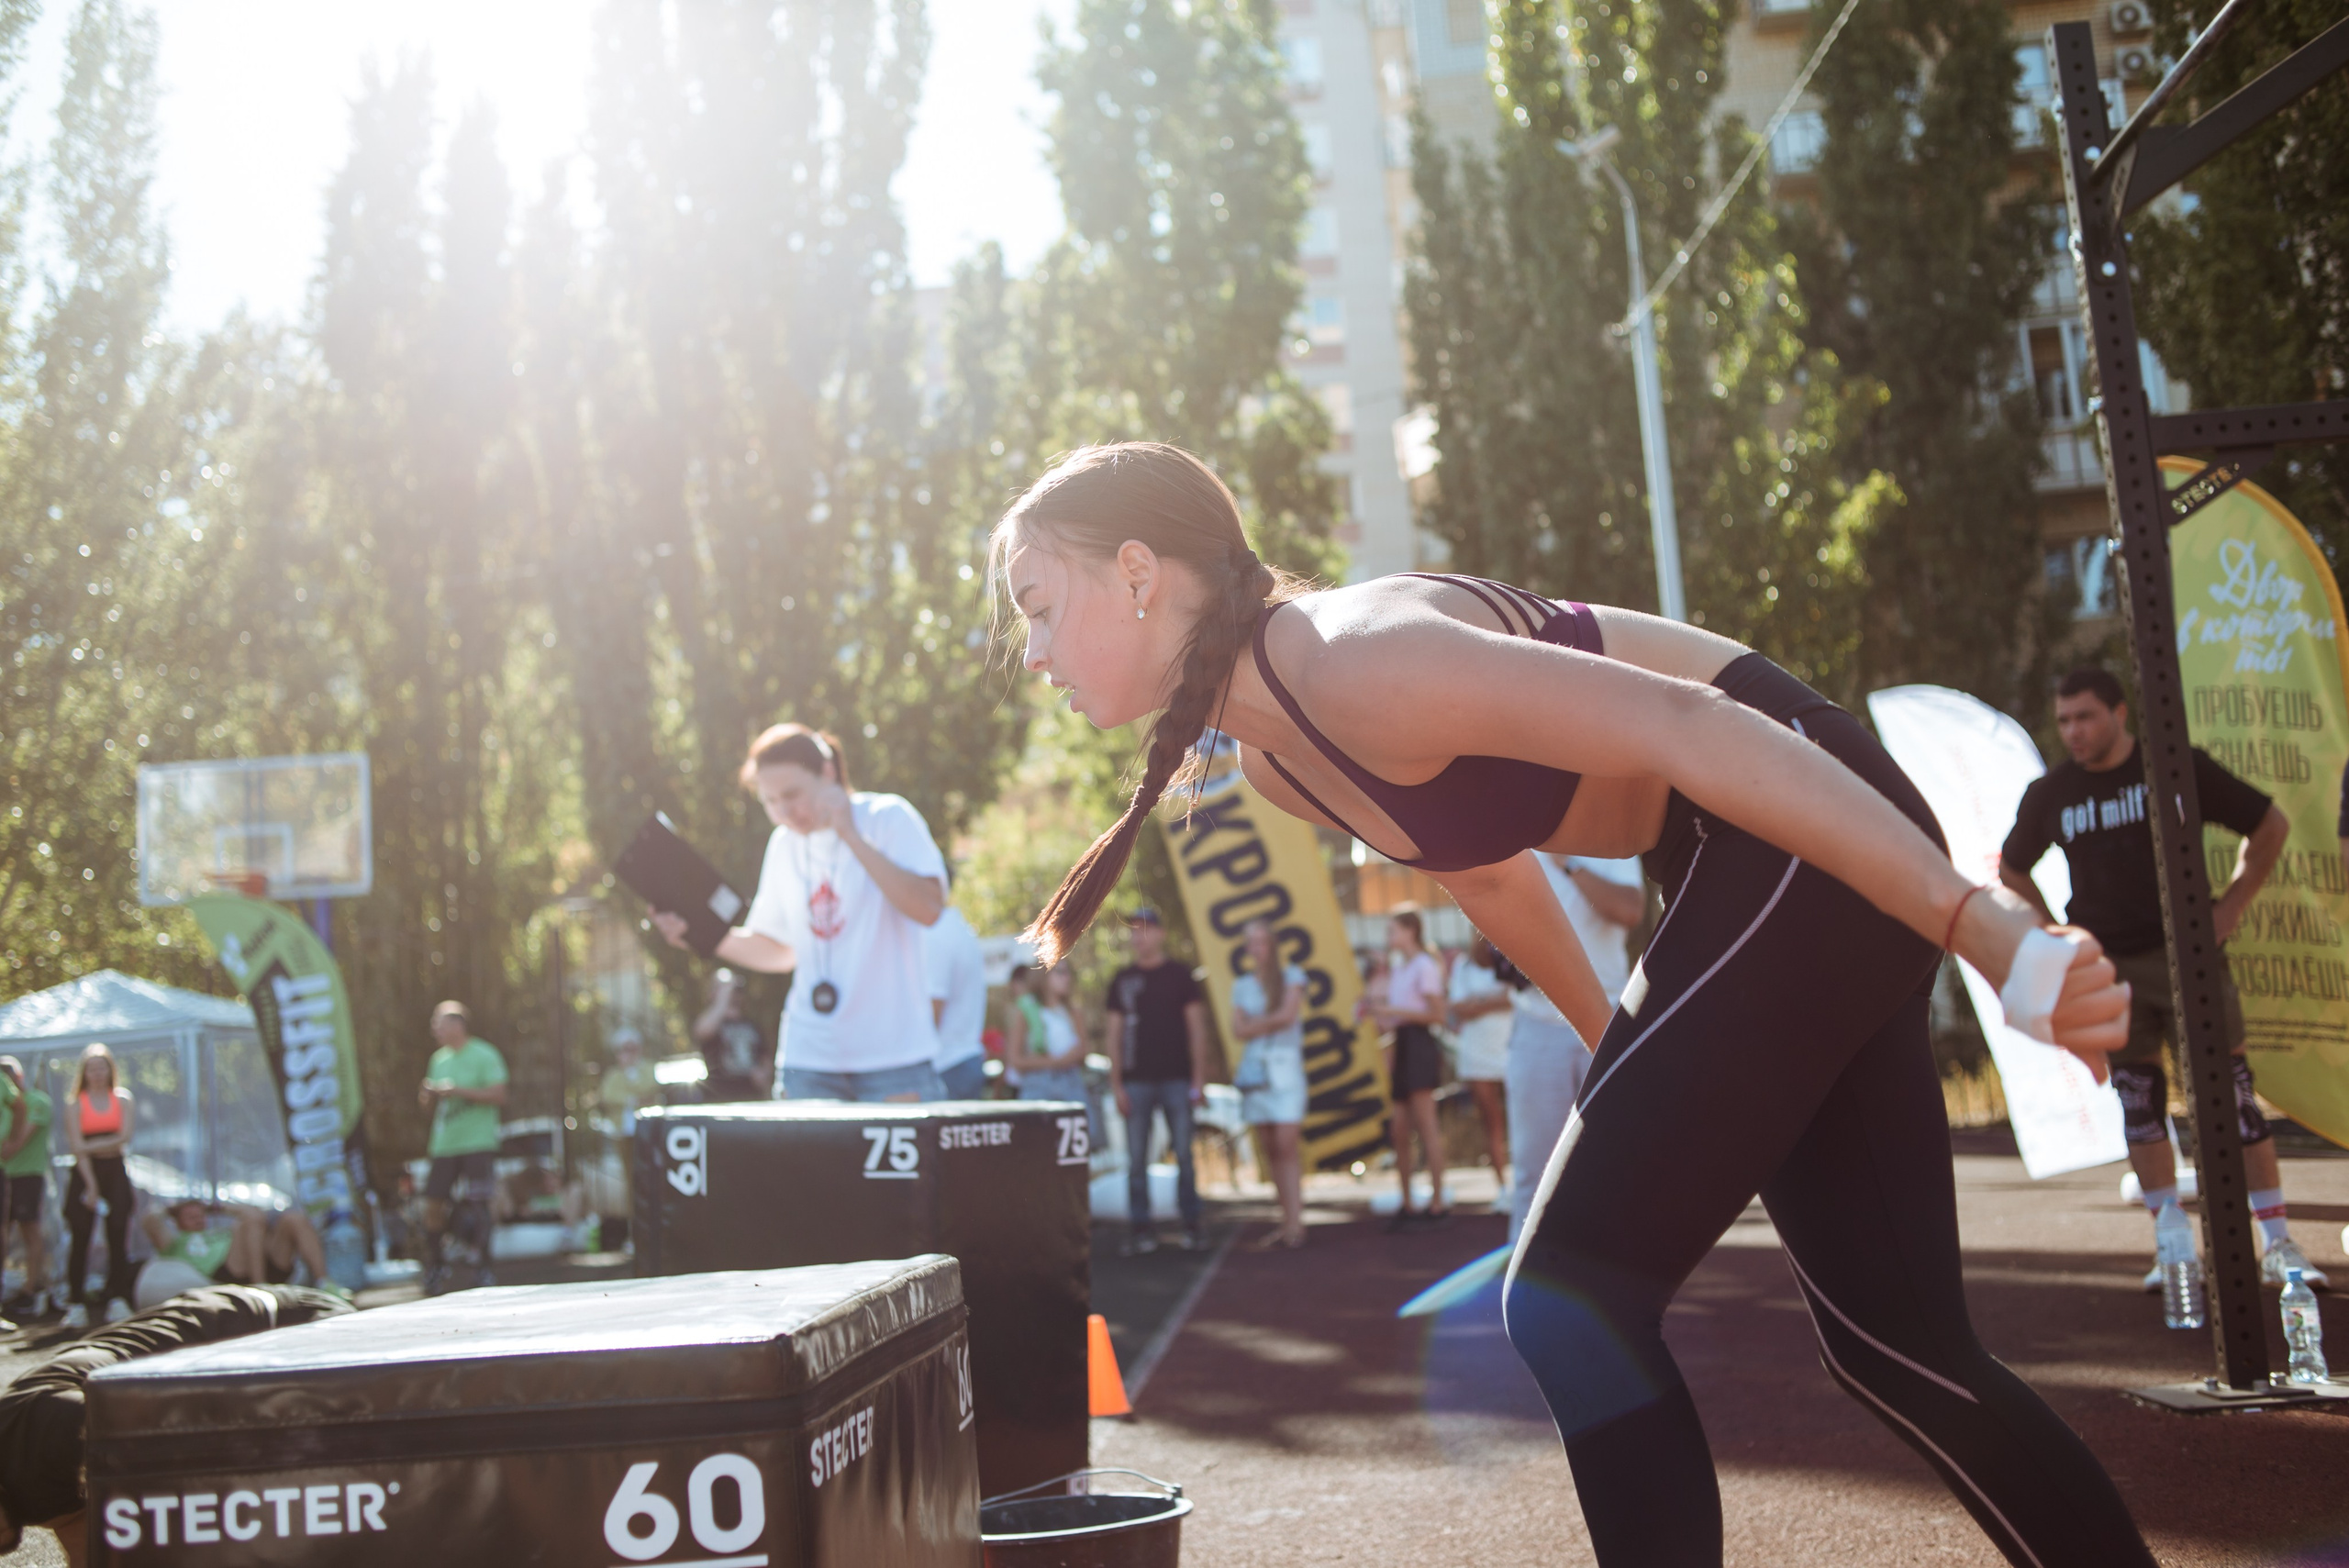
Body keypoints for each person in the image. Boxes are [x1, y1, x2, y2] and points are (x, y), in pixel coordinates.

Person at [993, 440, 2148, 1566]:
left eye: (1040, 608)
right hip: (1737, 859)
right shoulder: (1278, 762)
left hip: (1793, 816)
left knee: (1564, 1292)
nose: (1034, 653)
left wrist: (1985, 929)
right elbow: (1488, 877)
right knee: (1898, 1349)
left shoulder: (1349, 657)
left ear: (1138, 572)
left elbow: (1692, 724)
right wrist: (1620, 1050)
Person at [2000, 666, 2325, 1290]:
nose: (2073, 731)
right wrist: (2056, 934)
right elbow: (2011, 870)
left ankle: (2279, 1243)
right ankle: (2173, 1247)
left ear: (2120, 713)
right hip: (2110, 967)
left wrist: (2231, 907)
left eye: (2086, 716)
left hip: (2189, 956)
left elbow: (2271, 825)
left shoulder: (2177, 769)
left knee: (2233, 1098)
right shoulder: (2052, 793)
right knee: (2140, 1103)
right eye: (2064, 720)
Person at [655, 724, 949, 1103]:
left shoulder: (886, 818)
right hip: (809, 1061)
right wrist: (701, 934)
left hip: (894, 1061)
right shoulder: (783, 844)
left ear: (827, 773)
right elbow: (781, 951)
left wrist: (850, 835)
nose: (784, 812)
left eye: (792, 795)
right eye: (770, 801)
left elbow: (928, 909)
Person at [0, 1283, 350, 1566]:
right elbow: (86, 1546)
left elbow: (184, 1453)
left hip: (291, 1325)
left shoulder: (51, 1427)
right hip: (250, 1345)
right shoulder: (30, 1482)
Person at [1503, 854, 1645, 1242]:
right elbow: (1481, 950)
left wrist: (1567, 864)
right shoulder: (1515, 842)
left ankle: (1618, 1267)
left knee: (1614, 1161)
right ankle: (1524, 1272)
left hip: (1607, 1017)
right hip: (1536, 1023)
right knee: (1534, 1168)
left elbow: (1630, 910)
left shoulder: (1611, 840)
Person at [1105, 908, 1211, 1255]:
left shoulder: (1180, 976)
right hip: (1135, 1082)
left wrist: (1199, 1079)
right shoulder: (1122, 979)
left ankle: (1192, 1224)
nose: (1139, 936)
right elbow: (1113, 1036)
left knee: (1184, 1154)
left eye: (1146, 929)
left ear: (1161, 933)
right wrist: (1116, 1085)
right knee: (1136, 1160)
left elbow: (1197, 1029)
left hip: (1177, 1079)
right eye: (1134, 930)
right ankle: (1141, 1229)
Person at [417, 1000, 507, 1296]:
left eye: (439, 1023)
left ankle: (484, 1266)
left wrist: (457, 1091)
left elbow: (499, 1095)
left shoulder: (484, 1054)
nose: (434, 1029)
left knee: (480, 1203)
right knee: (432, 1204)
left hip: (477, 1143)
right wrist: (428, 1095)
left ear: (458, 1025)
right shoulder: (438, 1059)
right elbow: (428, 1107)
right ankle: (436, 1265)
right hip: (445, 1145)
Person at [1230, 917, 1308, 1250]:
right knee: (1271, 1148)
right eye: (1251, 942)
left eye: (1261, 941)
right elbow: (1238, 1029)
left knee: (1287, 1145)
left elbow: (1287, 1016)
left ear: (1271, 944)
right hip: (1257, 1075)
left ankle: (1296, 1222)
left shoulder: (1292, 976)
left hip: (1285, 1073)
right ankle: (1285, 1220)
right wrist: (1267, 1022)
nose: (1256, 948)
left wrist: (1255, 1023)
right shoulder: (1242, 985)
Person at [1370, 908, 1449, 1229]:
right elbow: (1398, 1015)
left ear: (1410, 931)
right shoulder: (1400, 968)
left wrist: (1395, 1010)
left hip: (1419, 1045)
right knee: (1399, 1129)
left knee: (1426, 1126)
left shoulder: (1424, 966)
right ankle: (1408, 1204)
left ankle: (1438, 1203)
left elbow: (1438, 1015)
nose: (1388, 937)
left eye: (1393, 930)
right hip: (1402, 1044)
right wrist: (1378, 1013)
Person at [61, 1045, 137, 1330]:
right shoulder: (75, 1104)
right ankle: (76, 1302)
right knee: (80, 1235)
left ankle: (118, 1297)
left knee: (118, 1231)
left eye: (101, 1067)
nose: (97, 1073)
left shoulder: (123, 1099)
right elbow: (77, 1148)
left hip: (115, 1171)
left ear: (110, 1069)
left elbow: (124, 1137)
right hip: (85, 1173)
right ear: (84, 1072)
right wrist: (91, 1186)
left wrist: (91, 1145)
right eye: (91, 1068)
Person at [137, 1198, 332, 1297]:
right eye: (190, 1217)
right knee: (247, 1222)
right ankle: (260, 1287)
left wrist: (214, 1207)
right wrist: (171, 1208)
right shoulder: (176, 1242)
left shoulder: (217, 1232)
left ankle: (325, 1282)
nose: (198, 1220)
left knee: (294, 1219)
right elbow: (149, 1220)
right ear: (178, 1222)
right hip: (232, 1273)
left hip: (263, 1261)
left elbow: (255, 1213)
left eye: (200, 1215)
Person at [1445, 936, 1515, 1186]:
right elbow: (1456, 1008)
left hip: (1510, 1051)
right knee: (1491, 1122)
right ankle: (1503, 1187)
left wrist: (1476, 1003)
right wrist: (1493, 1001)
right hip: (1477, 1055)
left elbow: (1513, 998)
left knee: (1521, 1123)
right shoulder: (1463, 965)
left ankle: (1528, 1185)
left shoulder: (1511, 957)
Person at [0, 1058, 54, 1320]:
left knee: (30, 1230)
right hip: (6, 1175)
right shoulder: (6, 1106)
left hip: (27, 1176)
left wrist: (9, 1146)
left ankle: (31, 1289)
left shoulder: (38, 1101)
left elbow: (17, 1143)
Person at [1008, 963, 1091, 1132]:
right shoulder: (1026, 1011)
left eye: (1068, 972)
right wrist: (1057, 1062)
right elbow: (1015, 1060)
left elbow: (1083, 1051)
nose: (1066, 978)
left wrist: (1061, 1061)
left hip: (1071, 1086)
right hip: (1037, 1089)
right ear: (1043, 975)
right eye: (1059, 972)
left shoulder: (1074, 1013)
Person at [927, 901, 991, 1099]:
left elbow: (932, 1011)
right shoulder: (959, 930)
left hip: (947, 1066)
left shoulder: (939, 931)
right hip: (961, 1062)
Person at [691, 971, 774, 1102]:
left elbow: (765, 1057)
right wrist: (722, 999)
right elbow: (701, 1031)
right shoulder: (712, 1023)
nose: (732, 992)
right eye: (722, 987)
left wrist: (764, 1074)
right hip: (719, 1100)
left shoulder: (752, 1025)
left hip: (751, 1098)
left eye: (736, 989)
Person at [597, 1027, 662, 1133]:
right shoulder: (613, 1075)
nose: (630, 1054)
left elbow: (653, 1088)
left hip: (650, 1125)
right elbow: (607, 1096)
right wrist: (632, 1100)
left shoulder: (650, 1068)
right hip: (620, 1127)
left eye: (633, 1049)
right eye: (625, 1050)